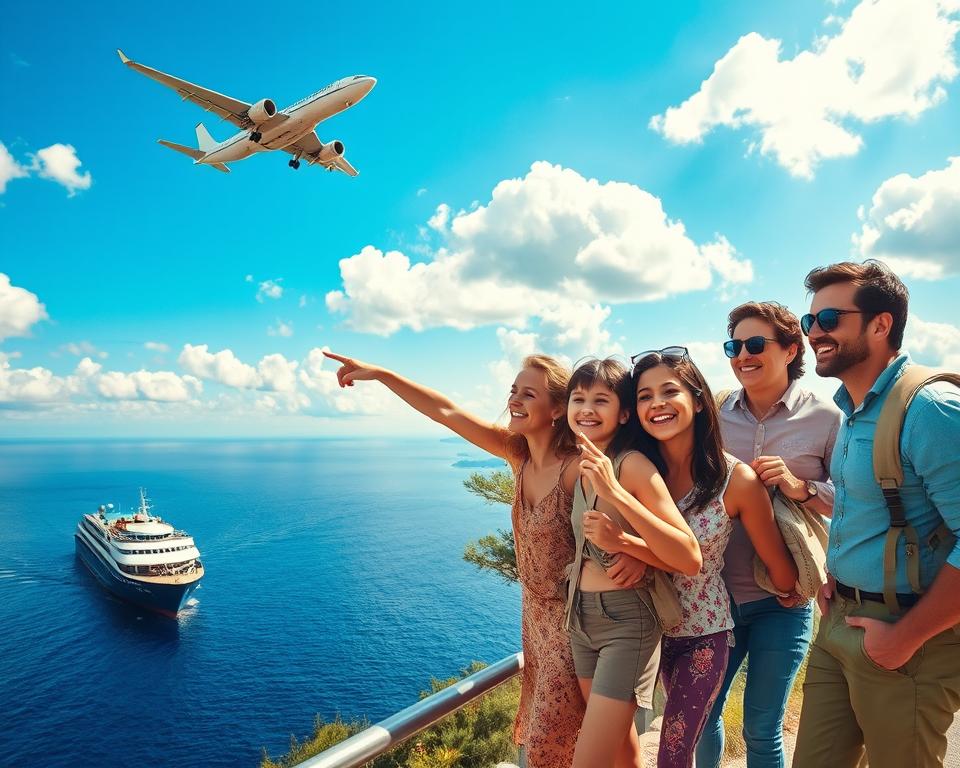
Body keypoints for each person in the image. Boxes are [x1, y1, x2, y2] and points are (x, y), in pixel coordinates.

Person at [321, 351, 650, 768]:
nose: (514, 399)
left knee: (551, 739)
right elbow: (446, 411)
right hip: (534, 621)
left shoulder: (575, 469)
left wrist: (641, 555)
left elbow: (633, 506)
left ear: (556, 409)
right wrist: (384, 374)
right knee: (616, 740)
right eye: (513, 390)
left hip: (573, 623)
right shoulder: (519, 455)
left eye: (528, 393)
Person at [792, 260, 960, 768]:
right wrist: (839, 573)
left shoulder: (929, 408)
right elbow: (872, 508)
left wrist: (905, 638)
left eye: (829, 319)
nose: (814, 333)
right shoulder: (854, 409)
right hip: (840, 619)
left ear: (881, 324)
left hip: (907, 634)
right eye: (810, 321)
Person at [630, 347, 799, 768]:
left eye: (669, 391)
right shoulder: (634, 470)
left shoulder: (735, 480)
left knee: (673, 752)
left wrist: (791, 590)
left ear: (698, 400)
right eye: (644, 396)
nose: (657, 404)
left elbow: (779, 568)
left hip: (703, 634)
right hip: (648, 634)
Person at [697, 301, 842, 768]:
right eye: (734, 346)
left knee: (762, 727)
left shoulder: (826, 417)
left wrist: (802, 488)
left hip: (784, 600)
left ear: (790, 350)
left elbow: (854, 501)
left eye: (756, 344)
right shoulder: (714, 415)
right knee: (703, 717)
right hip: (715, 598)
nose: (743, 355)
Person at [560, 358, 702, 768]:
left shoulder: (632, 465)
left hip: (627, 622)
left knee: (589, 761)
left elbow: (689, 556)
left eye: (600, 400)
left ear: (624, 414)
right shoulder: (582, 465)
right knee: (623, 750)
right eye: (578, 399)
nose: (586, 409)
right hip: (581, 618)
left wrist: (621, 524)